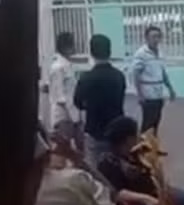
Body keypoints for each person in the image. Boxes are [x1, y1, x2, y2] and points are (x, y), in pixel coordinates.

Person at [75, 34, 126, 168]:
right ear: (109, 51)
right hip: (116, 129)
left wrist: (88, 105)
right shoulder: (119, 76)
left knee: (94, 167)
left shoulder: (87, 77)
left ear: (91, 52)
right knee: (116, 167)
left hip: (94, 129)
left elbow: (78, 102)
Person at [132, 26, 176, 137]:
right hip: (148, 94)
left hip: (158, 93)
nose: (156, 39)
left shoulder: (160, 53)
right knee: (148, 123)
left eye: (158, 37)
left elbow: (163, 72)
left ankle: (153, 144)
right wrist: (140, 94)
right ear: (146, 38)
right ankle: (144, 145)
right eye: (153, 37)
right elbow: (136, 74)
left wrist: (170, 88)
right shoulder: (141, 54)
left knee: (156, 121)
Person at [50, 31, 82, 150]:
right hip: (63, 115)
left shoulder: (68, 65)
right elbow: (59, 96)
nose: (75, 47)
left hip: (73, 114)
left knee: (78, 147)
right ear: (65, 47)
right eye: (72, 44)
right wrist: (74, 114)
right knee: (64, 149)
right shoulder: (58, 67)